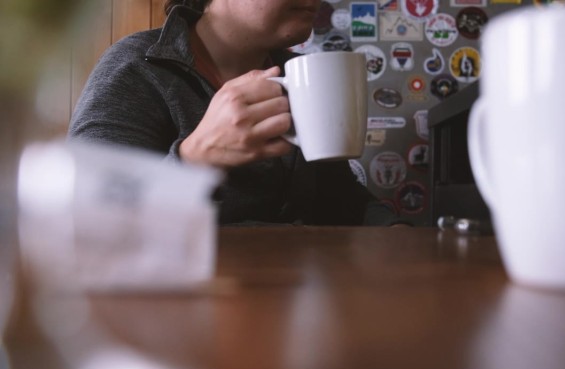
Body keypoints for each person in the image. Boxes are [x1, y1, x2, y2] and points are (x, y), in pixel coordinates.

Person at [69, 0, 408, 226]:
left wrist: (397, 233)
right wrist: (192, 161)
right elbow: (89, 217)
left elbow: (342, 201)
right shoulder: (137, 67)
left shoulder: (298, 74)